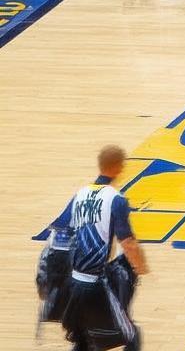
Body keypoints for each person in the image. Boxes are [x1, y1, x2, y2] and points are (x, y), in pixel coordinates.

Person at [47, 145, 148, 351]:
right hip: (96, 285)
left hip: (73, 284)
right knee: (132, 337)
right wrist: (141, 267)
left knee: (84, 341)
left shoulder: (80, 195)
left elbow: (60, 232)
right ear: (119, 168)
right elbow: (128, 243)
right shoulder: (116, 200)